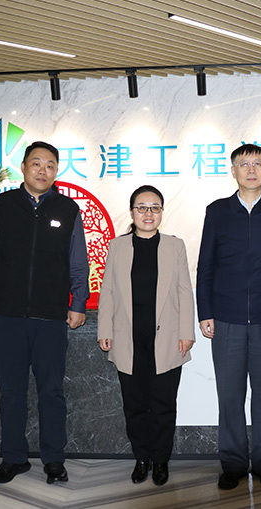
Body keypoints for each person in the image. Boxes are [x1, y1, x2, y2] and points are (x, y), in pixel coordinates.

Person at [0, 141, 89, 485]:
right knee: (11, 393)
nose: (43, 170)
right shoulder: (2, 206)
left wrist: (78, 303)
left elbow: (78, 262)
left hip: (50, 318)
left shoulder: (67, 209)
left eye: (50, 165)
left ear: (57, 171)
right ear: (23, 167)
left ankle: (54, 460)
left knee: (51, 392)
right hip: (6, 316)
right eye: (36, 163)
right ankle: (13, 458)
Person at [196, 144, 261, 490]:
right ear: (233, 171)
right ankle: (234, 464)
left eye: (258, 163)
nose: (251, 169)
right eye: (244, 164)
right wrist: (206, 311)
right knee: (230, 397)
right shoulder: (217, 211)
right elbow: (206, 265)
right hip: (227, 319)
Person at [98, 185, 195, 486]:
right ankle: (142, 458)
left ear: (162, 213)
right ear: (132, 212)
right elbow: (108, 291)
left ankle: (161, 460)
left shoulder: (174, 246)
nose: (148, 213)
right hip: (128, 338)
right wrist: (104, 329)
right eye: (142, 207)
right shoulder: (117, 247)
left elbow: (184, 291)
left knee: (164, 404)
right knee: (135, 404)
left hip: (168, 339)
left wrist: (187, 332)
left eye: (155, 208)